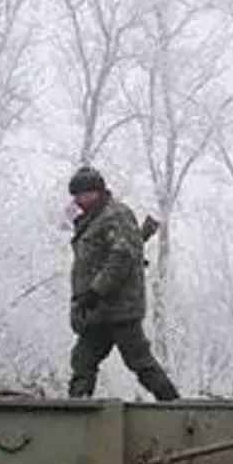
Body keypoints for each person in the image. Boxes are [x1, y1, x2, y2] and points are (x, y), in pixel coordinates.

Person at [66, 166, 179, 400]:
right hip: (98, 312)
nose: (77, 200)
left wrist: (96, 291)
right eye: (75, 195)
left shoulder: (115, 215)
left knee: (139, 361)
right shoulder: (93, 220)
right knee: (82, 360)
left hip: (119, 310)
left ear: (96, 192)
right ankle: (77, 409)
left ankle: (174, 405)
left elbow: (122, 257)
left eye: (81, 194)